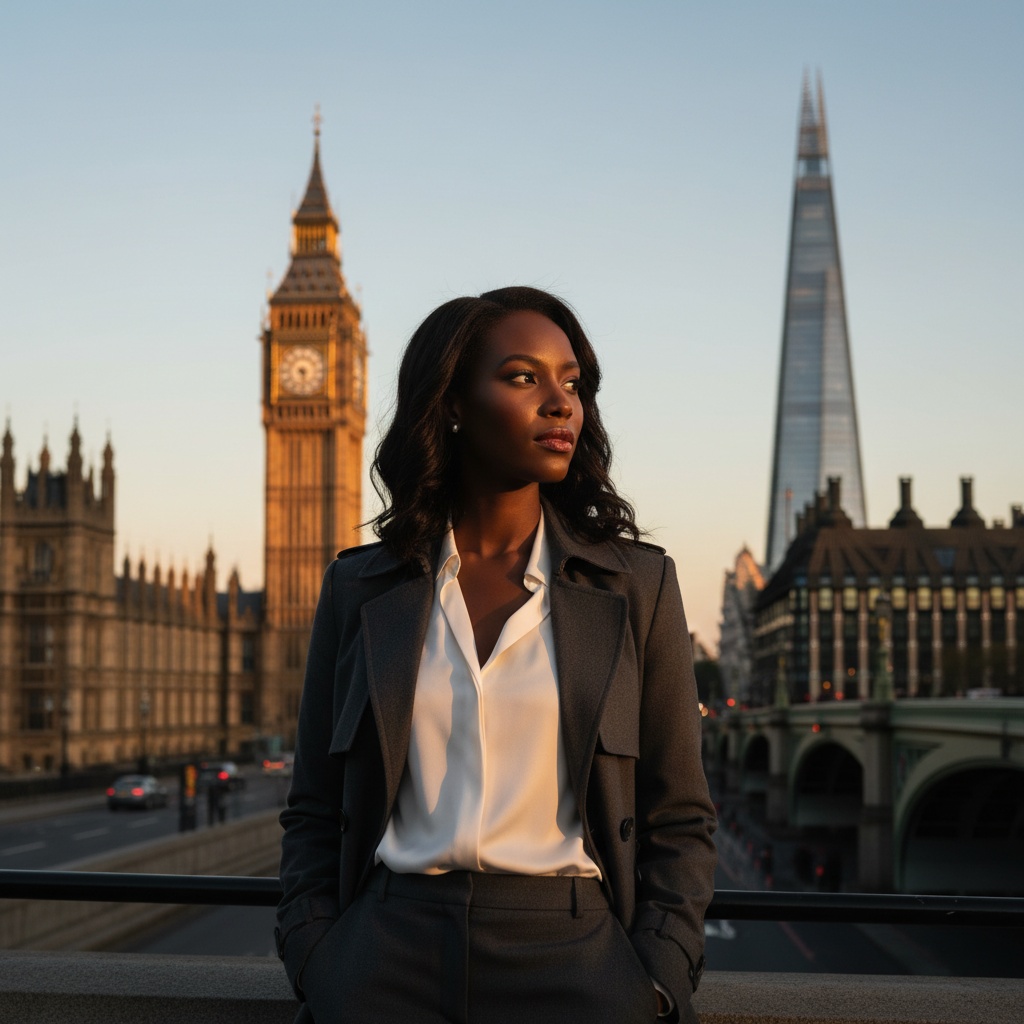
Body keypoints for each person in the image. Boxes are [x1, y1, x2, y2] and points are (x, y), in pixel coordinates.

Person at [275, 286, 717, 1024]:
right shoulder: (358, 588)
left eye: (572, 383)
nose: (560, 403)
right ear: (449, 404)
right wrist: (319, 960)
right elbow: (315, 809)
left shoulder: (638, 586)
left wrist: (656, 978)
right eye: (523, 377)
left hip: (575, 959)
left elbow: (680, 816)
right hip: (385, 956)